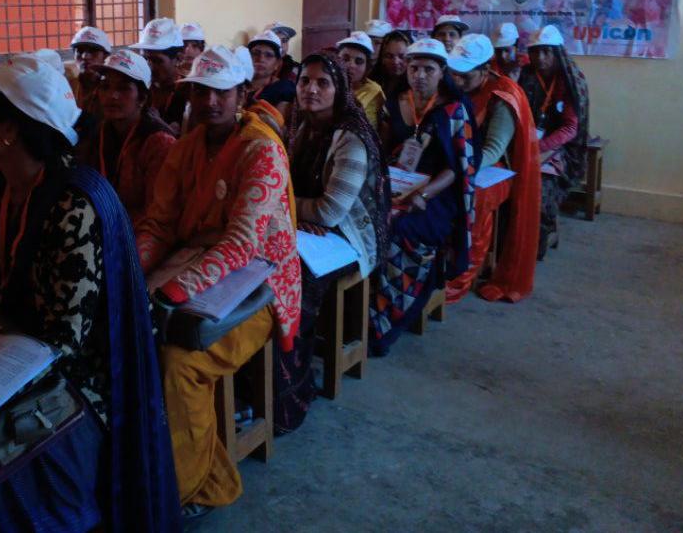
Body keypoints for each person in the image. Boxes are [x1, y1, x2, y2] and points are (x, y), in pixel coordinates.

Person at [0, 54, 181, 532]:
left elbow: (61, 345)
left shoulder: (73, 206)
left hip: (76, 381)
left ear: (11, 131)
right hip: (8, 354)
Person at [137, 46, 300, 520]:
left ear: (242, 94)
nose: (210, 101)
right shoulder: (187, 146)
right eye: (200, 92)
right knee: (133, 335)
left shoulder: (262, 149)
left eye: (220, 92)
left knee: (179, 362)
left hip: (261, 284)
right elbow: (159, 223)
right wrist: (133, 275)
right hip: (195, 263)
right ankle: (162, 464)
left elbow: (242, 244)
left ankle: (192, 488)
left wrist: (167, 294)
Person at [277, 53, 389, 433]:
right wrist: (298, 213)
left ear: (339, 89)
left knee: (296, 280)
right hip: (308, 229)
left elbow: (329, 212)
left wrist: (288, 208)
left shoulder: (351, 137)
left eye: (322, 83)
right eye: (304, 81)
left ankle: (293, 389)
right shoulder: (301, 125)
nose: (311, 90)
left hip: (351, 236)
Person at [371, 38, 476, 355]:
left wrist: (423, 194)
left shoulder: (454, 109)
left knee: (398, 229)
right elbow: (382, 150)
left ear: (442, 71)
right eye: (413, 67)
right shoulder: (395, 101)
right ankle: (353, 311)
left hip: (435, 194)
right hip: (395, 184)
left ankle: (383, 320)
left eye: (428, 69)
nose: (419, 75)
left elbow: (457, 168)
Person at [444, 36, 541, 303]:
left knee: (473, 197)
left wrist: (459, 168)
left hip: (491, 167)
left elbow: (493, 149)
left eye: (465, 75)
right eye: (454, 73)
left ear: (485, 70)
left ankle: (461, 274)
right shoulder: (454, 86)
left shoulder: (503, 95)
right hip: (458, 160)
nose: (457, 81)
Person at [77, 49, 176, 223]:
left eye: (123, 89)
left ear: (142, 98)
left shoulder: (159, 142)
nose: (112, 96)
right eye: (105, 87)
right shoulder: (98, 134)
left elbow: (157, 212)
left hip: (142, 231)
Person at [518, 25, 589, 259]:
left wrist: (538, 148)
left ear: (558, 52)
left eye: (546, 51)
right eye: (535, 51)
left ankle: (539, 239)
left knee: (541, 185)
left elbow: (570, 128)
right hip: (526, 141)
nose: (540, 57)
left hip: (559, 147)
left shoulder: (570, 80)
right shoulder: (525, 75)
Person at [131, 17, 188, 132]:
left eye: (157, 61)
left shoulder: (189, 92)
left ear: (178, 58)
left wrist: (161, 126)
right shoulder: (141, 88)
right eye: (146, 59)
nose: (150, 67)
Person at [335, 31, 385, 126]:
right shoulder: (328, 86)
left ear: (367, 67)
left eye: (359, 61)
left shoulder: (373, 91)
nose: (351, 65)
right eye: (345, 59)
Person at [246, 30, 296, 123]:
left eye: (268, 55)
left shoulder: (283, 90)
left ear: (277, 64)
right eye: (255, 53)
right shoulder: (235, 86)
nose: (261, 59)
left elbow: (277, 126)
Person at [67, 25, 113, 114]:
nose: (85, 56)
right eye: (80, 51)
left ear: (105, 56)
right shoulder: (67, 86)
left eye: (93, 51)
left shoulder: (111, 90)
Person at [370, 29, 411, 97]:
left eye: (401, 56)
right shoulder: (371, 82)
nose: (395, 62)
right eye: (389, 56)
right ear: (382, 58)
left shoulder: (415, 88)